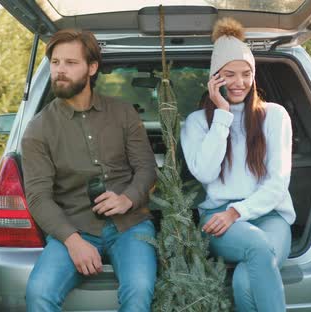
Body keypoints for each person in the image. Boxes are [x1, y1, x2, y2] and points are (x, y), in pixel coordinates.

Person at [21, 29, 157, 312]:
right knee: (39, 293)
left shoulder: (123, 113)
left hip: (130, 226)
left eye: (70, 63)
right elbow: (38, 197)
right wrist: (73, 242)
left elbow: (146, 168)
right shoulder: (38, 129)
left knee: (140, 290)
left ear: (92, 68)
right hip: (74, 228)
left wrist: (127, 198)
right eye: (55, 62)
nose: (60, 70)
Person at [180, 18, 296, 311]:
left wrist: (238, 211)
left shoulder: (275, 116)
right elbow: (205, 172)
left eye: (246, 74)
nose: (239, 83)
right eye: (229, 74)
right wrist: (222, 114)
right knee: (258, 247)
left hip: (271, 216)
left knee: (245, 282)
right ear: (214, 78)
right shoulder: (197, 123)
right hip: (219, 217)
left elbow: (277, 183)